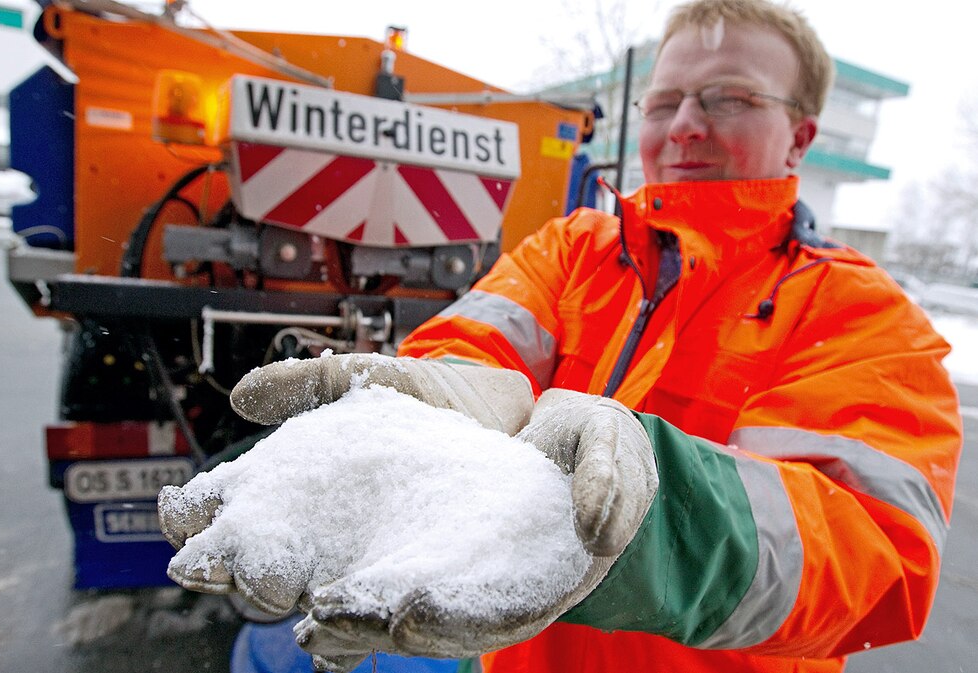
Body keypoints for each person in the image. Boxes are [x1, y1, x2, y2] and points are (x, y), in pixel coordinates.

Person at [160, 1, 963, 672]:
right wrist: (434, 403)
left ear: (801, 137)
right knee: (272, 653)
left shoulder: (862, 311)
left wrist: (651, 520)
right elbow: (471, 350)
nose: (684, 125)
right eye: (664, 101)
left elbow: (874, 554)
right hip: (499, 642)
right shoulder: (578, 246)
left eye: (728, 98)